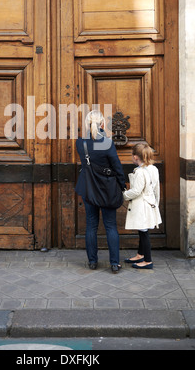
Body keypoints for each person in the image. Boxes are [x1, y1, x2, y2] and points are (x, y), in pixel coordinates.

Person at [75, 110, 126, 273]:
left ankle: (92, 261)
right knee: (110, 226)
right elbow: (117, 167)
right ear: (103, 123)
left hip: (88, 188)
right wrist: (122, 185)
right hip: (106, 188)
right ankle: (114, 263)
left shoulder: (80, 142)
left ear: (86, 124)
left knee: (91, 225)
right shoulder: (107, 142)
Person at [123, 142, 162, 269]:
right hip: (150, 204)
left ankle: (148, 261)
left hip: (142, 206)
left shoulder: (140, 172)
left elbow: (136, 191)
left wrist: (123, 195)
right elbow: (157, 189)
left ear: (135, 157)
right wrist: (156, 204)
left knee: (144, 232)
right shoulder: (153, 168)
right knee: (142, 230)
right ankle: (140, 255)